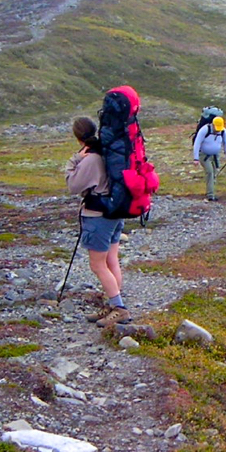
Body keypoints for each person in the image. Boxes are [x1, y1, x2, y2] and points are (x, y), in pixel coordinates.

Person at [65, 115, 129, 326]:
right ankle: (112, 305)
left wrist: (76, 159)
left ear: (77, 137)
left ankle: (118, 307)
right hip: (115, 212)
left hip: (98, 216)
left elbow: (73, 185)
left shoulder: (91, 158)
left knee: (98, 264)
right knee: (111, 260)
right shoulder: (108, 151)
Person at [191, 110, 226, 201]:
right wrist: (196, 158)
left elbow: (225, 143)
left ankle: (211, 192)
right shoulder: (205, 129)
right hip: (203, 155)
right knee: (210, 172)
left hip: (215, 156)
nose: (217, 130)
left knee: (214, 173)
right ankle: (210, 195)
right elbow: (197, 143)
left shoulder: (223, 131)